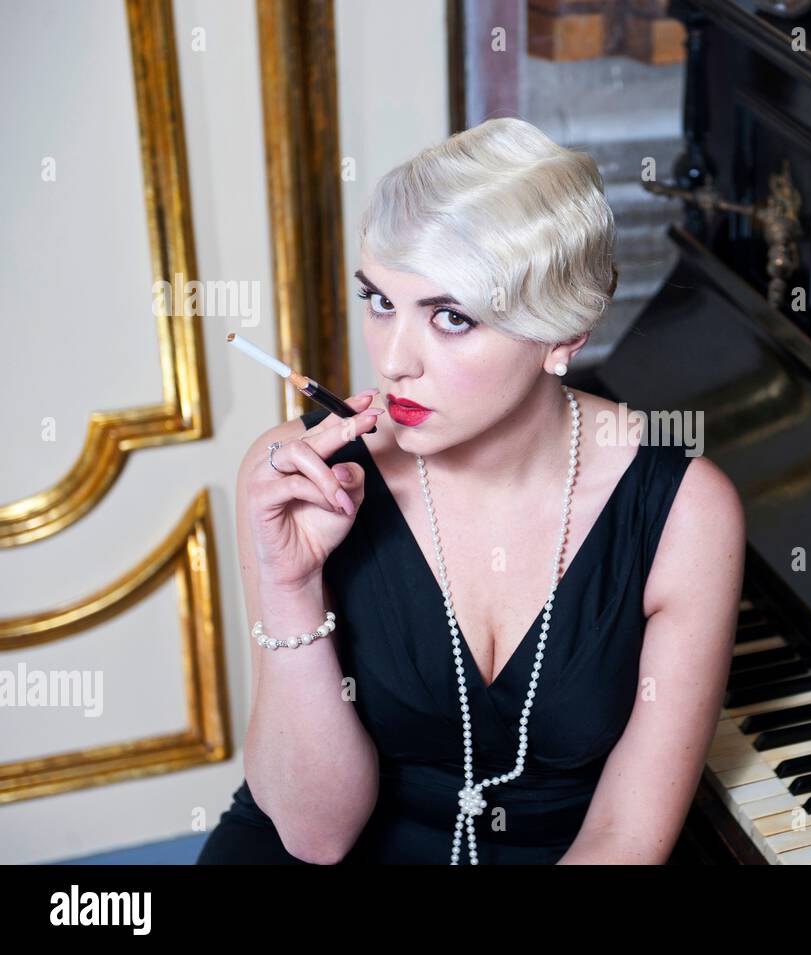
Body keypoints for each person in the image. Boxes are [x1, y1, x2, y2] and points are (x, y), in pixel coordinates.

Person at [196, 117, 746, 864]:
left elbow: (625, 836)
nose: (393, 362)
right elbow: (314, 835)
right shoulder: (291, 475)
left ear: (565, 337)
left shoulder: (686, 512)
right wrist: (289, 583)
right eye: (381, 301)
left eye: (451, 318)